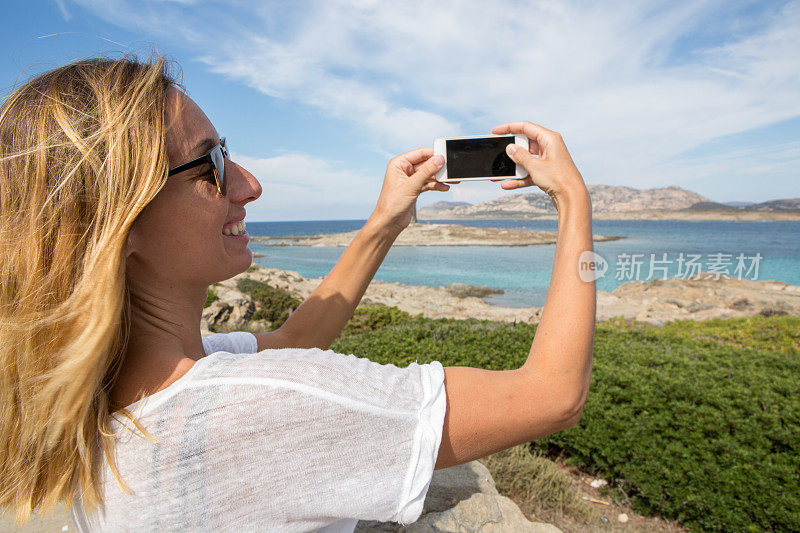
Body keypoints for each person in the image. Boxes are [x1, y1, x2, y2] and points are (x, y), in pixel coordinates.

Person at [0, 53, 594, 532]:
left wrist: (384, 220)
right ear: (118, 225)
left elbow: (294, 337)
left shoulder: (111, 388)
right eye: (210, 165)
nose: (250, 186)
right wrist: (572, 202)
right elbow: (549, 395)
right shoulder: (257, 409)